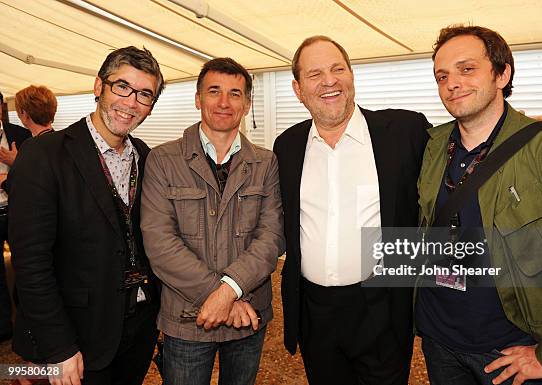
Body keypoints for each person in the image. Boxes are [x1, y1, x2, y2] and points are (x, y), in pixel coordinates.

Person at [415, 25, 542, 385]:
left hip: (511, 352)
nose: (452, 83)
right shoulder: (431, 146)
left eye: (467, 69)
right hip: (438, 340)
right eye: (442, 76)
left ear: (502, 73)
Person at [273, 36, 430, 384]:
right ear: (298, 90)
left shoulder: (405, 131)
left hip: (383, 308)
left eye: (337, 69)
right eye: (315, 74)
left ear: (352, 76)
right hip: (315, 313)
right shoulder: (287, 146)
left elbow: (463, 150)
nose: (329, 80)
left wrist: (516, 131)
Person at [8, 46, 165, 385]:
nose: (130, 102)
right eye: (121, 86)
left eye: (144, 94)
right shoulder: (43, 156)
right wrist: (59, 347)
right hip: (76, 336)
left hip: (137, 329)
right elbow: (31, 263)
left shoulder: (145, 156)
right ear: (99, 87)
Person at [140, 57, 284, 385]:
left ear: (247, 104)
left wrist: (229, 291)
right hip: (187, 319)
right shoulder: (163, 161)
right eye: (214, 91)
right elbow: (160, 242)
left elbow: (271, 236)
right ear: (197, 98)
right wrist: (218, 296)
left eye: (235, 94)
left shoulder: (265, 163)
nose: (223, 102)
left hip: (248, 315)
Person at [0, 90, 31, 343]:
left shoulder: (21, 135)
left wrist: (14, 166)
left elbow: (35, 173)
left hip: (17, 211)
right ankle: (3, 327)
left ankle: (29, 324)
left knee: (26, 267)